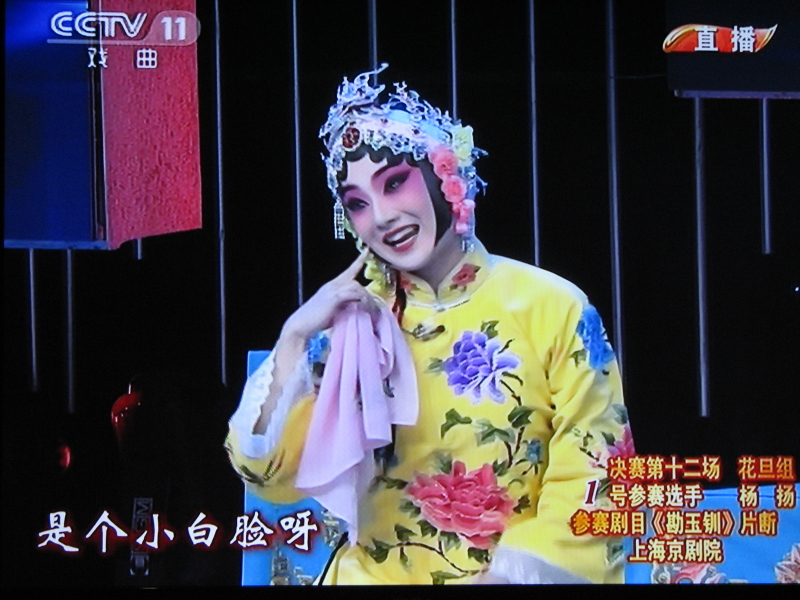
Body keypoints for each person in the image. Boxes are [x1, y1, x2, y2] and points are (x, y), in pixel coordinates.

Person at [225, 64, 633, 584]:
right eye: (358, 203)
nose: (382, 217)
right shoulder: (350, 325)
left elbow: (596, 470)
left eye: (395, 183)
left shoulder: (552, 306)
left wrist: (513, 576)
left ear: (447, 177)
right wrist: (293, 340)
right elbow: (266, 478)